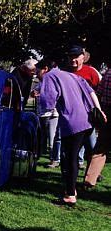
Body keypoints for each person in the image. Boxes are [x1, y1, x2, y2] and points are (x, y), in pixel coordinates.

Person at [36, 58, 106, 205]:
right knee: (78, 156)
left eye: (38, 72)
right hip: (88, 119)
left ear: (45, 69)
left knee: (70, 159)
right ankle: (73, 189)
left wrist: (42, 106)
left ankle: (70, 195)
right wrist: (99, 111)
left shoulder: (50, 76)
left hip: (73, 122)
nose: (37, 75)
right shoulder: (72, 75)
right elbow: (91, 92)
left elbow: (48, 102)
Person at [67, 45, 101, 171]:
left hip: (88, 114)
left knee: (91, 145)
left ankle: (92, 173)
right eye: (70, 56)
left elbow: (99, 90)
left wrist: (97, 109)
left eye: (75, 57)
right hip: (70, 115)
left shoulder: (91, 72)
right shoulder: (65, 72)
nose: (72, 59)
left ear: (83, 57)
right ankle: (72, 171)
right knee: (72, 146)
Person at [84, 63, 111, 188]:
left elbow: (99, 92)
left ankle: (90, 179)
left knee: (100, 148)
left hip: (106, 112)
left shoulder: (107, 73)